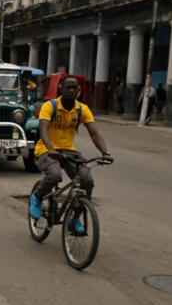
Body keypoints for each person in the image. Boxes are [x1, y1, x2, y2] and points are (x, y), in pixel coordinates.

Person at [30, 76, 113, 225]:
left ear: (79, 91)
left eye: (75, 88)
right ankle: (37, 197)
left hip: (69, 151)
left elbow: (94, 133)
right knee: (54, 176)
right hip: (46, 149)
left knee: (87, 181)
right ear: (61, 89)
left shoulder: (82, 109)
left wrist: (105, 152)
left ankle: (75, 218)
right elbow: (43, 128)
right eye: (68, 87)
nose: (71, 91)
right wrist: (50, 149)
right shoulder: (50, 106)